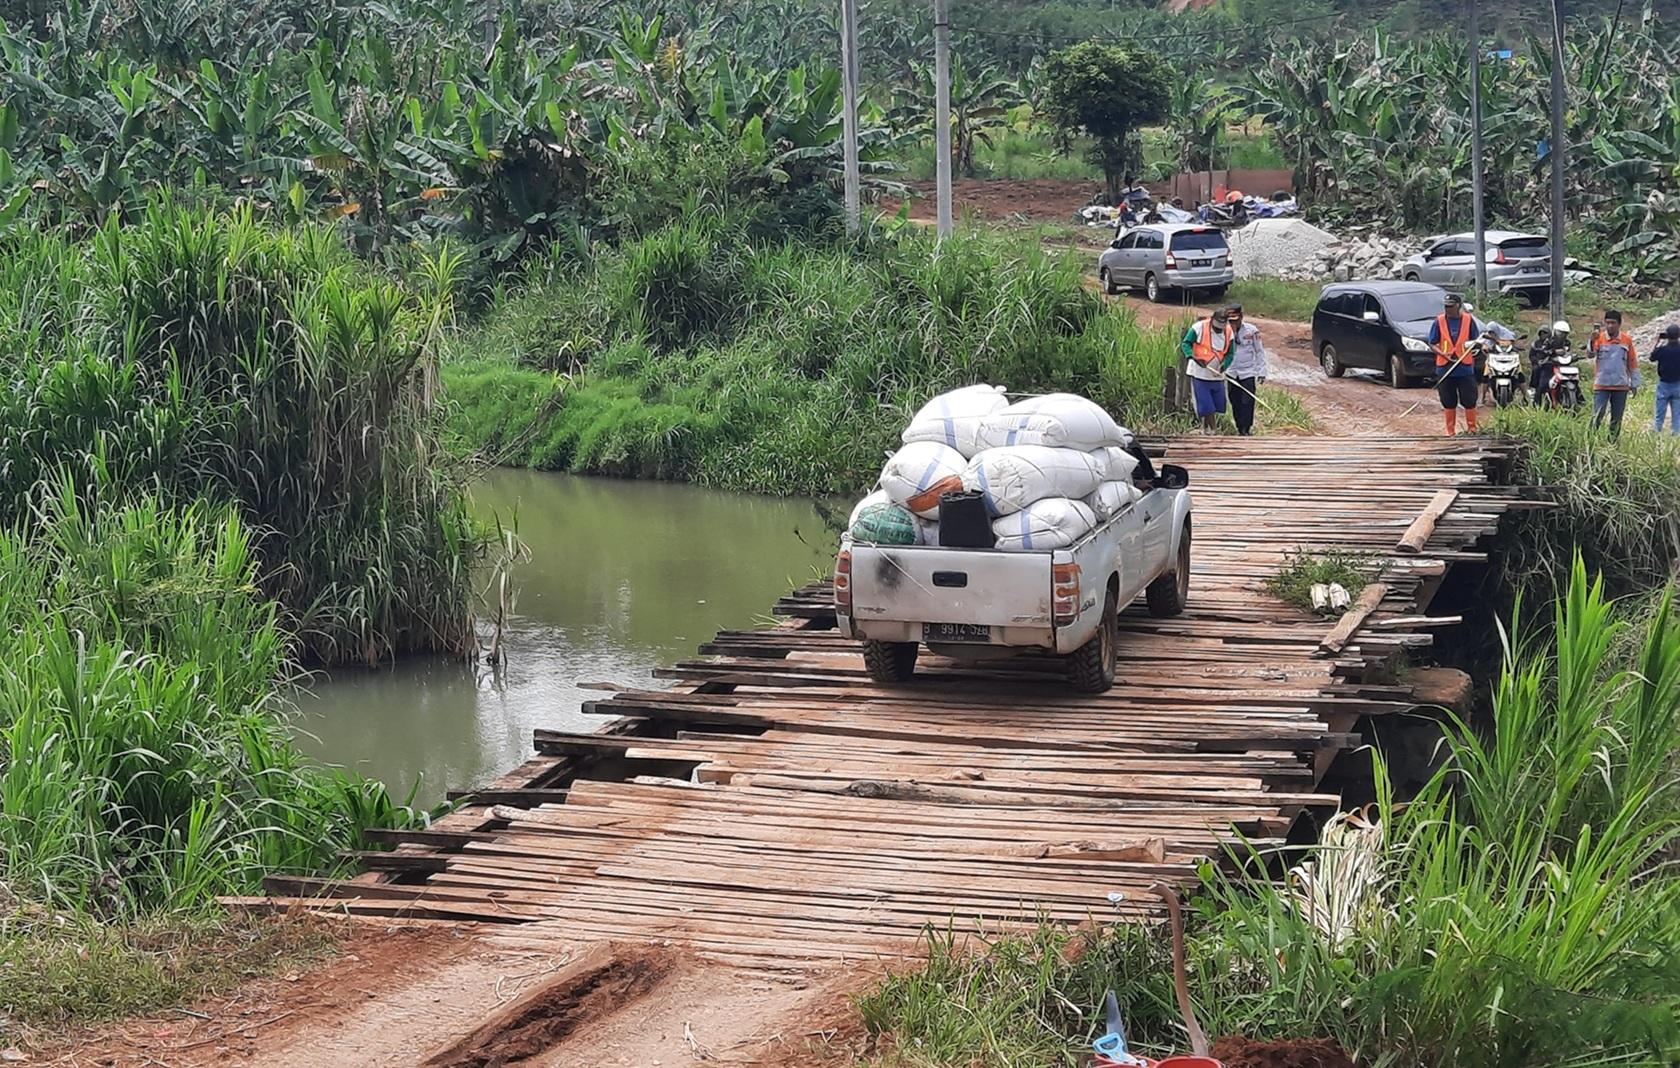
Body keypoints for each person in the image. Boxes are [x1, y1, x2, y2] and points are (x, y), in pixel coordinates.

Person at [1427, 292, 1480, 434]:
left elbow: (1475, 340)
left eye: (1450, 306)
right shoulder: (1439, 321)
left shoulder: (1469, 320)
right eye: (1446, 306)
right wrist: (1442, 353)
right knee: (1448, 400)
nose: (1447, 309)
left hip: (1464, 367)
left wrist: (1476, 347)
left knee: (1470, 399)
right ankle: (1450, 431)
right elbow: (1432, 343)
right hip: (1445, 367)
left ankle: (1472, 428)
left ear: (1458, 306)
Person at [1180, 307, 1234, 434]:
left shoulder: (1228, 332)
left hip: (1217, 375)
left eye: (1222, 326)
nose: (1219, 329)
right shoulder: (1198, 328)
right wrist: (1193, 357)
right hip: (1200, 374)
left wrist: (1224, 365)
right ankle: (1213, 431)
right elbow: (1186, 344)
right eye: (1217, 325)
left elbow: (1231, 353)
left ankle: (1206, 429)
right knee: (1206, 405)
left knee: (1218, 404)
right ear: (1212, 320)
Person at [1590, 309, 1639, 438]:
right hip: (1601, 385)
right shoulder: (1599, 338)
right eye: (1608, 323)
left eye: (1613, 323)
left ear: (1619, 324)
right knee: (1597, 415)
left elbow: (1632, 361)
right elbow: (1590, 355)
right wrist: (1591, 341)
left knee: (1617, 418)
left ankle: (1613, 444)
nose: (1610, 326)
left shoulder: (1626, 339)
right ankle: (1590, 441)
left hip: (1621, 385)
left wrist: (1634, 383)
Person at [1224, 304, 1267, 436]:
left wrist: (1261, 371)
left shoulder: (1251, 331)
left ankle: (1246, 429)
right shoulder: (1224, 331)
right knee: (1235, 401)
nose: (1233, 323)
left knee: (1248, 401)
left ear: (1241, 317)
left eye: (1235, 320)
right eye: (1230, 320)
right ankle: (1239, 427)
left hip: (1247, 372)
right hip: (1231, 372)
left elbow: (1259, 351)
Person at [1650, 325, 1680, 434]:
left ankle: (1656, 432)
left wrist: (1657, 342)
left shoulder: (1662, 350)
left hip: (1664, 384)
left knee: (1659, 413)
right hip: (1678, 384)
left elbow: (1652, 357)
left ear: (1667, 336)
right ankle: (1676, 435)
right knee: (1677, 414)